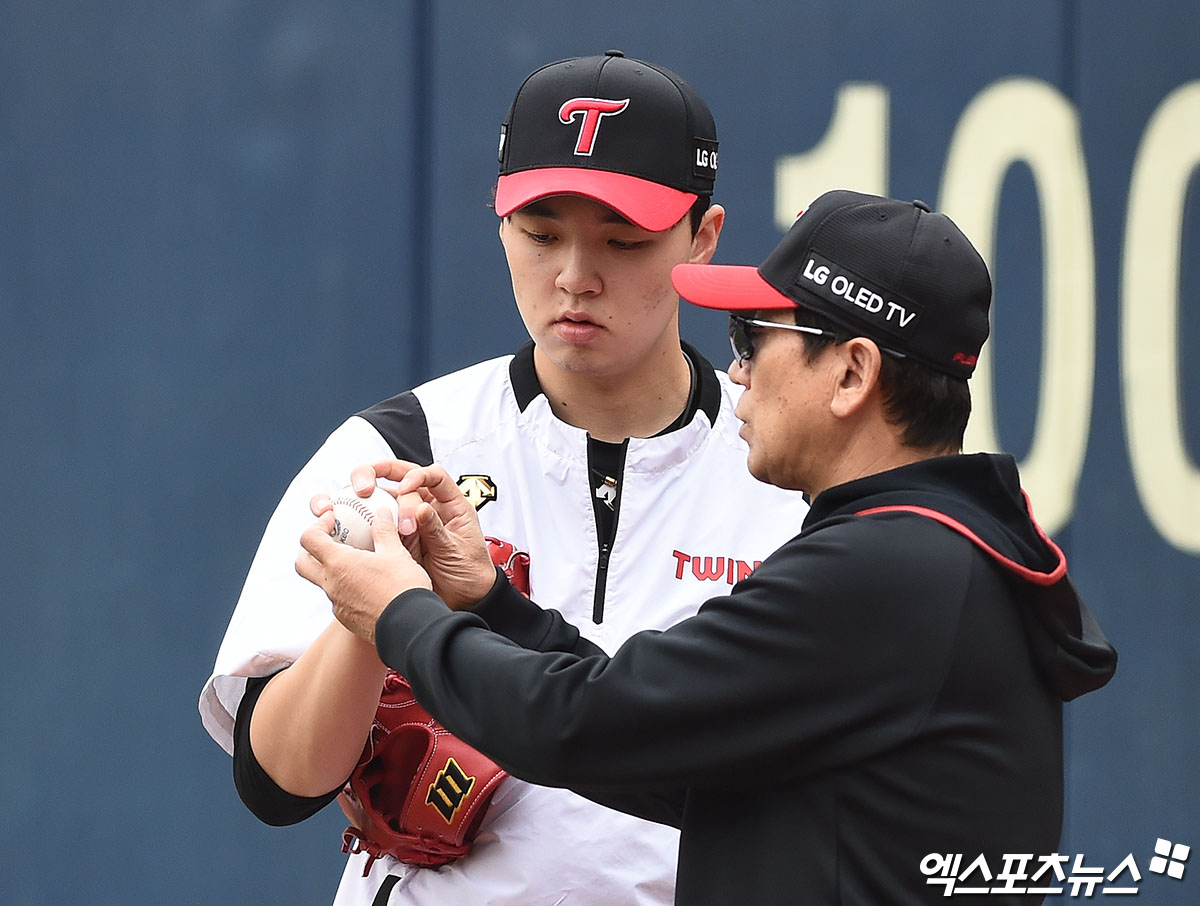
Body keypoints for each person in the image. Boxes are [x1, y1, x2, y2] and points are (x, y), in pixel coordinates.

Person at [295, 189, 1119, 906]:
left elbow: (581, 724)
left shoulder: (889, 569)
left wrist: (397, 613)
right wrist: (487, 601)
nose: (736, 370)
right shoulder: (929, 556)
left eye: (756, 334)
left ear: (852, 374)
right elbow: (673, 760)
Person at [198, 50, 809, 906]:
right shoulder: (402, 444)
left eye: (622, 240)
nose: (574, 276)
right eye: (541, 231)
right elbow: (276, 786)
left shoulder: (783, 476)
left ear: (702, 240)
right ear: (499, 224)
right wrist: (373, 621)